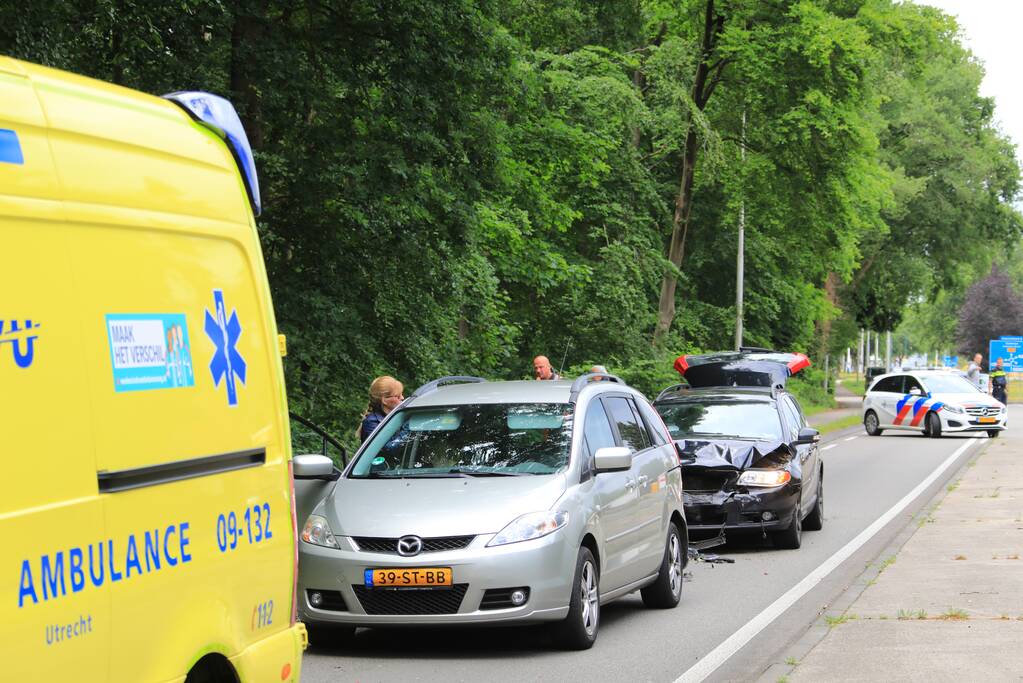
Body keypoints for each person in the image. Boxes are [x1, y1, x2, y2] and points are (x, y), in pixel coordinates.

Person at [358, 375, 404, 442]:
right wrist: (408, 426)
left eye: (402, 394)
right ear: (384, 400)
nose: (402, 398)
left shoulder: (394, 417)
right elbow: (388, 448)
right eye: (398, 396)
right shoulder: (372, 422)